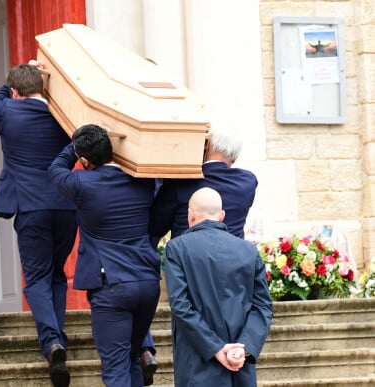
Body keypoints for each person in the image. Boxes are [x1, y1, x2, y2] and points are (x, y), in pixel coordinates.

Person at [48, 124, 161, 387]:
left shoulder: (81, 183)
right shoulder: (143, 182)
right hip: (147, 282)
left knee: (115, 367)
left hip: (112, 287)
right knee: (132, 357)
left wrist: (74, 145)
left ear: (84, 161)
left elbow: (55, 169)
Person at [0, 63, 77, 387]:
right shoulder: (64, 116)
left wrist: (18, 75)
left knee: (37, 276)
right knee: (55, 273)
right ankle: (56, 340)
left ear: (14, 93)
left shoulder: (7, 113)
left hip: (32, 208)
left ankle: (53, 342)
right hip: (67, 207)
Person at [164, 187, 273, 386]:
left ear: (191, 215)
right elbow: (263, 307)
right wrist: (243, 347)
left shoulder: (177, 248)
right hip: (239, 362)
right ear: (222, 216)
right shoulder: (248, 251)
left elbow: (180, 305)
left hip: (197, 361)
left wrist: (215, 348)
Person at [150, 124, 257, 240]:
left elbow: (156, 227)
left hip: (187, 254)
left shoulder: (180, 182)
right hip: (232, 255)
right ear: (235, 158)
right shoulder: (247, 182)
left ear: (206, 145)